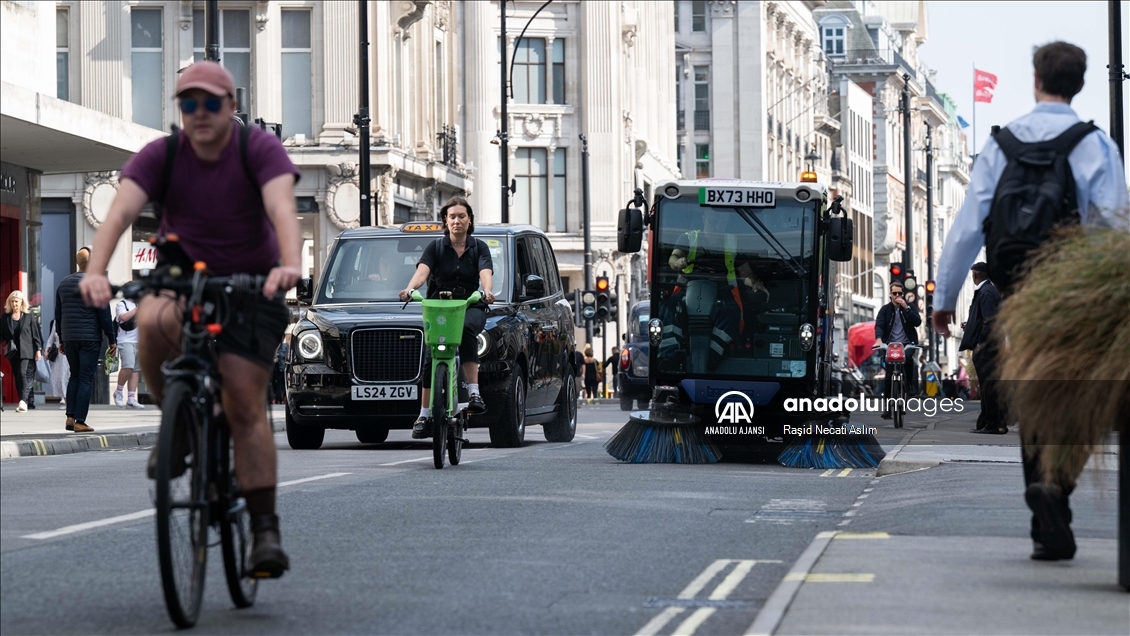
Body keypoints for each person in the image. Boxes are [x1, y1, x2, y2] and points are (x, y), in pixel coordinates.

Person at [78, 61, 301, 578]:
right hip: (186, 275)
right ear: (181, 111)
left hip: (254, 281)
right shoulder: (165, 154)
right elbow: (119, 213)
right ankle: (176, 427)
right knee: (152, 319)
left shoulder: (255, 149)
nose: (200, 114)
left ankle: (264, 529)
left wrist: (290, 262)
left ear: (232, 106)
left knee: (243, 400)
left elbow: (282, 208)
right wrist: (95, 272)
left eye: (211, 103)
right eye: (189, 104)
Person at [933, 42, 1128, 562]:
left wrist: (945, 296)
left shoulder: (1000, 145)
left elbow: (967, 227)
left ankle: (1046, 513)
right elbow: (1114, 227)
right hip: (1077, 289)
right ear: (1081, 84)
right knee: (1079, 394)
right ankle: (1057, 490)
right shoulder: (1096, 146)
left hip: (1019, 291)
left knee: (1035, 390)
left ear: (1036, 77)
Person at [400, 196, 495, 439]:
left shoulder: (479, 247)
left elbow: (485, 272)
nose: (456, 221)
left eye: (461, 216)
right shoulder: (435, 247)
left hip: (469, 306)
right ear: (446, 220)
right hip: (438, 308)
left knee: (465, 331)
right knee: (432, 355)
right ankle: (423, 415)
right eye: (452, 216)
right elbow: (422, 272)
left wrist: (487, 291)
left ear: (469, 220)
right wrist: (410, 289)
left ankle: (473, 392)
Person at [659, 212, 766, 368]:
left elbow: (745, 272)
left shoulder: (733, 242)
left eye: (722, 222)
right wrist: (678, 262)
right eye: (714, 221)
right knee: (670, 307)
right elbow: (673, 258)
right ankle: (669, 356)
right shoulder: (688, 238)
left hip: (721, 291)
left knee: (732, 312)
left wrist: (756, 283)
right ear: (704, 219)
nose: (717, 225)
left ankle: (712, 357)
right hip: (689, 288)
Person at [57, 247, 116, 432]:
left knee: (74, 376)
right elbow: (105, 315)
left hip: (69, 337)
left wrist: (61, 339)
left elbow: (59, 314)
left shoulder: (63, 284)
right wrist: (112, 339)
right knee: (86, 379)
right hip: (89, 337)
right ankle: (80, 421)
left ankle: (70, 416)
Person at [957, 263, 1003, 434]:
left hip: (986, 348)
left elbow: (989, 321)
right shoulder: (989, 291)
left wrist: (980, 341)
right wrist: (970, 325)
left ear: (976, 275)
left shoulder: (985, 293)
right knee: (989, 386)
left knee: (988, 386)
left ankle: (992, 424)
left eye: (972, 274)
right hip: (990, 346)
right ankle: (990, 423)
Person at [873, 281, 921, 417]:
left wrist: (906, 308)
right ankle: (888, 408)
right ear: (890, 295)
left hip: (907, 343)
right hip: (890, 345)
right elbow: (880, 325)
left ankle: (910, 386)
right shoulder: (885, 309)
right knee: (889, 375)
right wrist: (879, 338)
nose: (897, 296)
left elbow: (917, 322)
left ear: (903, 294)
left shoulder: (909, 307)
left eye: (900, 293)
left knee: (908, 361)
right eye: (895, 293)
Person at [1, 290, 44, 413]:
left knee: (23, 373)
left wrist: (38, 349)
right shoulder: (5, 317)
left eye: (17, 302)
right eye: (12, 301)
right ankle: (29, 401)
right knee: (19, 376)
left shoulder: (29, 316)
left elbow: (35, 334)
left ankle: (23, 401)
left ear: (21, 303)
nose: (14, 304)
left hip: (28, 350)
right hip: (13, 352)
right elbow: (2, 334)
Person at [113, 297, 144, 409]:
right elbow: (123, 317)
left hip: (139, 341)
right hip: (125, 341)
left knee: (136, 370)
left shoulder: (137, 303)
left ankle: (131, 398)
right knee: (128, 366)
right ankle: (119, 392)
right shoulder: (122, 304)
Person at [45, 319, 70, 409]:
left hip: (71, 352)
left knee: (68, 376)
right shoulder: (56, 321)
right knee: (60, 377)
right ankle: (64, 398)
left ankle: (69, 400)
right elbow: (52, 336)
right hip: (60, 354)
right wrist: (47, 348)